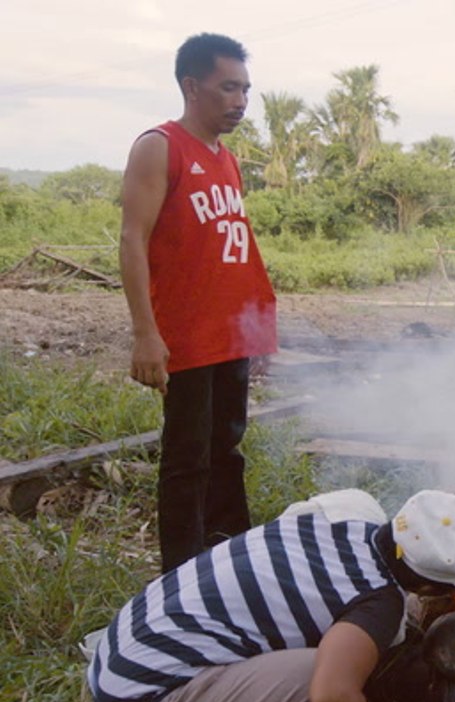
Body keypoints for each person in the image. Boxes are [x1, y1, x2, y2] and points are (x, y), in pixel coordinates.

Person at [86, 488, 455, 702]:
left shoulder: (342, 521)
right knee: (327, 677)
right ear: (427, 588)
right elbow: (331, 697)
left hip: (119, 655)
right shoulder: (379, 603)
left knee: (334, 663)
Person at [118, 32, 278, 572]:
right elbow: (132, 239)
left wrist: (255, 328)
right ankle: (181, 579)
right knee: (188, 459)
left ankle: (231, 562)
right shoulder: (159, 146)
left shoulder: (227, 160)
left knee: (226, 452)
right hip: (186, 336)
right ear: (192, 86)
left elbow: (227, 252)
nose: (240, 102)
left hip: (229, 334)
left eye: (246, 90)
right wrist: (146, 332)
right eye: (228, 88)